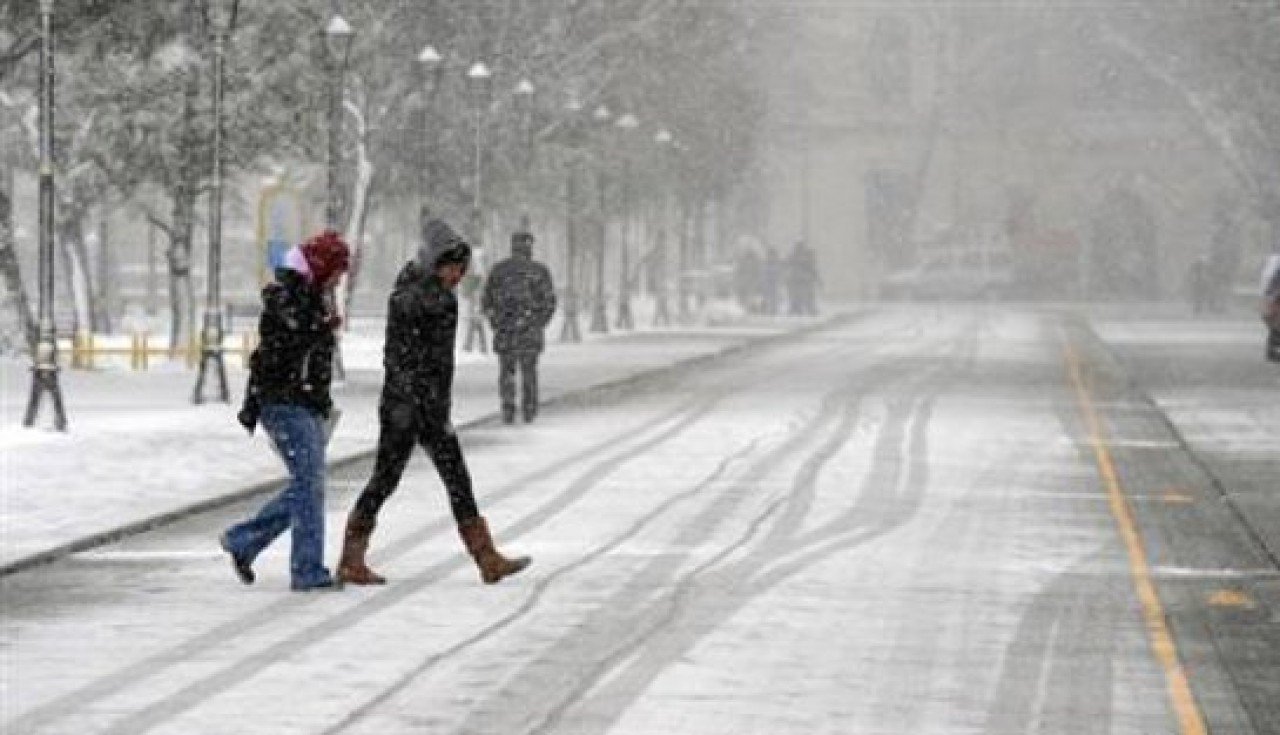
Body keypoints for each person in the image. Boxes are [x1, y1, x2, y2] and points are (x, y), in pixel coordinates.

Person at [336, 218, 531, 586]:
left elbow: (433, 361)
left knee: (455, 478)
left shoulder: (427, 294)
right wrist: (417, 401)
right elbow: (401, 357)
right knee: (386, 479)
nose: (458, 275)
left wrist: (434, 403)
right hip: (407, 407)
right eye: (453, 267)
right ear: (435, 262)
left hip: (426, 406)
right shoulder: (417, 298)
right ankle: (351, 558)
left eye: (461, 269)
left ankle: (486, 558)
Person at [219, 230, 350, 591]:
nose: (340, 280)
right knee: (310, 484)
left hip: (303, 402)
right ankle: (305, 570)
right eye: (337, 271)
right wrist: (319, 326)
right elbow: (282, 352)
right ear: (322, 267)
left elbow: (315, 358)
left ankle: (244, 542)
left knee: (308, 484)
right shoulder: (289, 299)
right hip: (283, 402)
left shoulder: (317, 298)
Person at [481, 231, 557, 424]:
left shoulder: (499, 271)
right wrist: (539, 322)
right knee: (529, 371)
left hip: (506, 330)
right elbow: (549, 302)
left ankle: (508, 407)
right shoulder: (539, 271)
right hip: (529, 331)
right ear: (529, 246)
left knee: (506, 371)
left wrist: (496, 321)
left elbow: (487, 301)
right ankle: (529, 408)